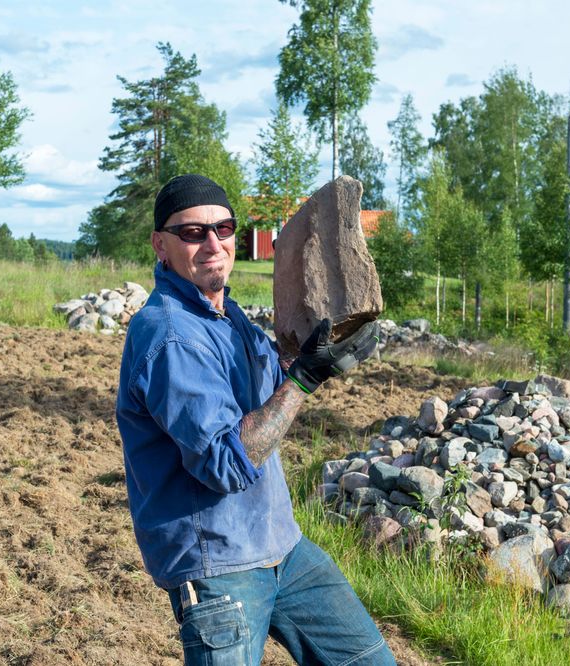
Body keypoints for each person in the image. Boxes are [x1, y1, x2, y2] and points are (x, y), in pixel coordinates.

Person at [116, 174, 395, 666]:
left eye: (223, 229)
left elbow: (270, 388)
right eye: (192, 232)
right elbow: (226, 463)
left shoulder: (226, 314)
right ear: (160, 244)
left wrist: (307, 357)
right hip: (219, 565)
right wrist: (305, 379)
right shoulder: (170, 336)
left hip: (282, 546)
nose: (212, 244)